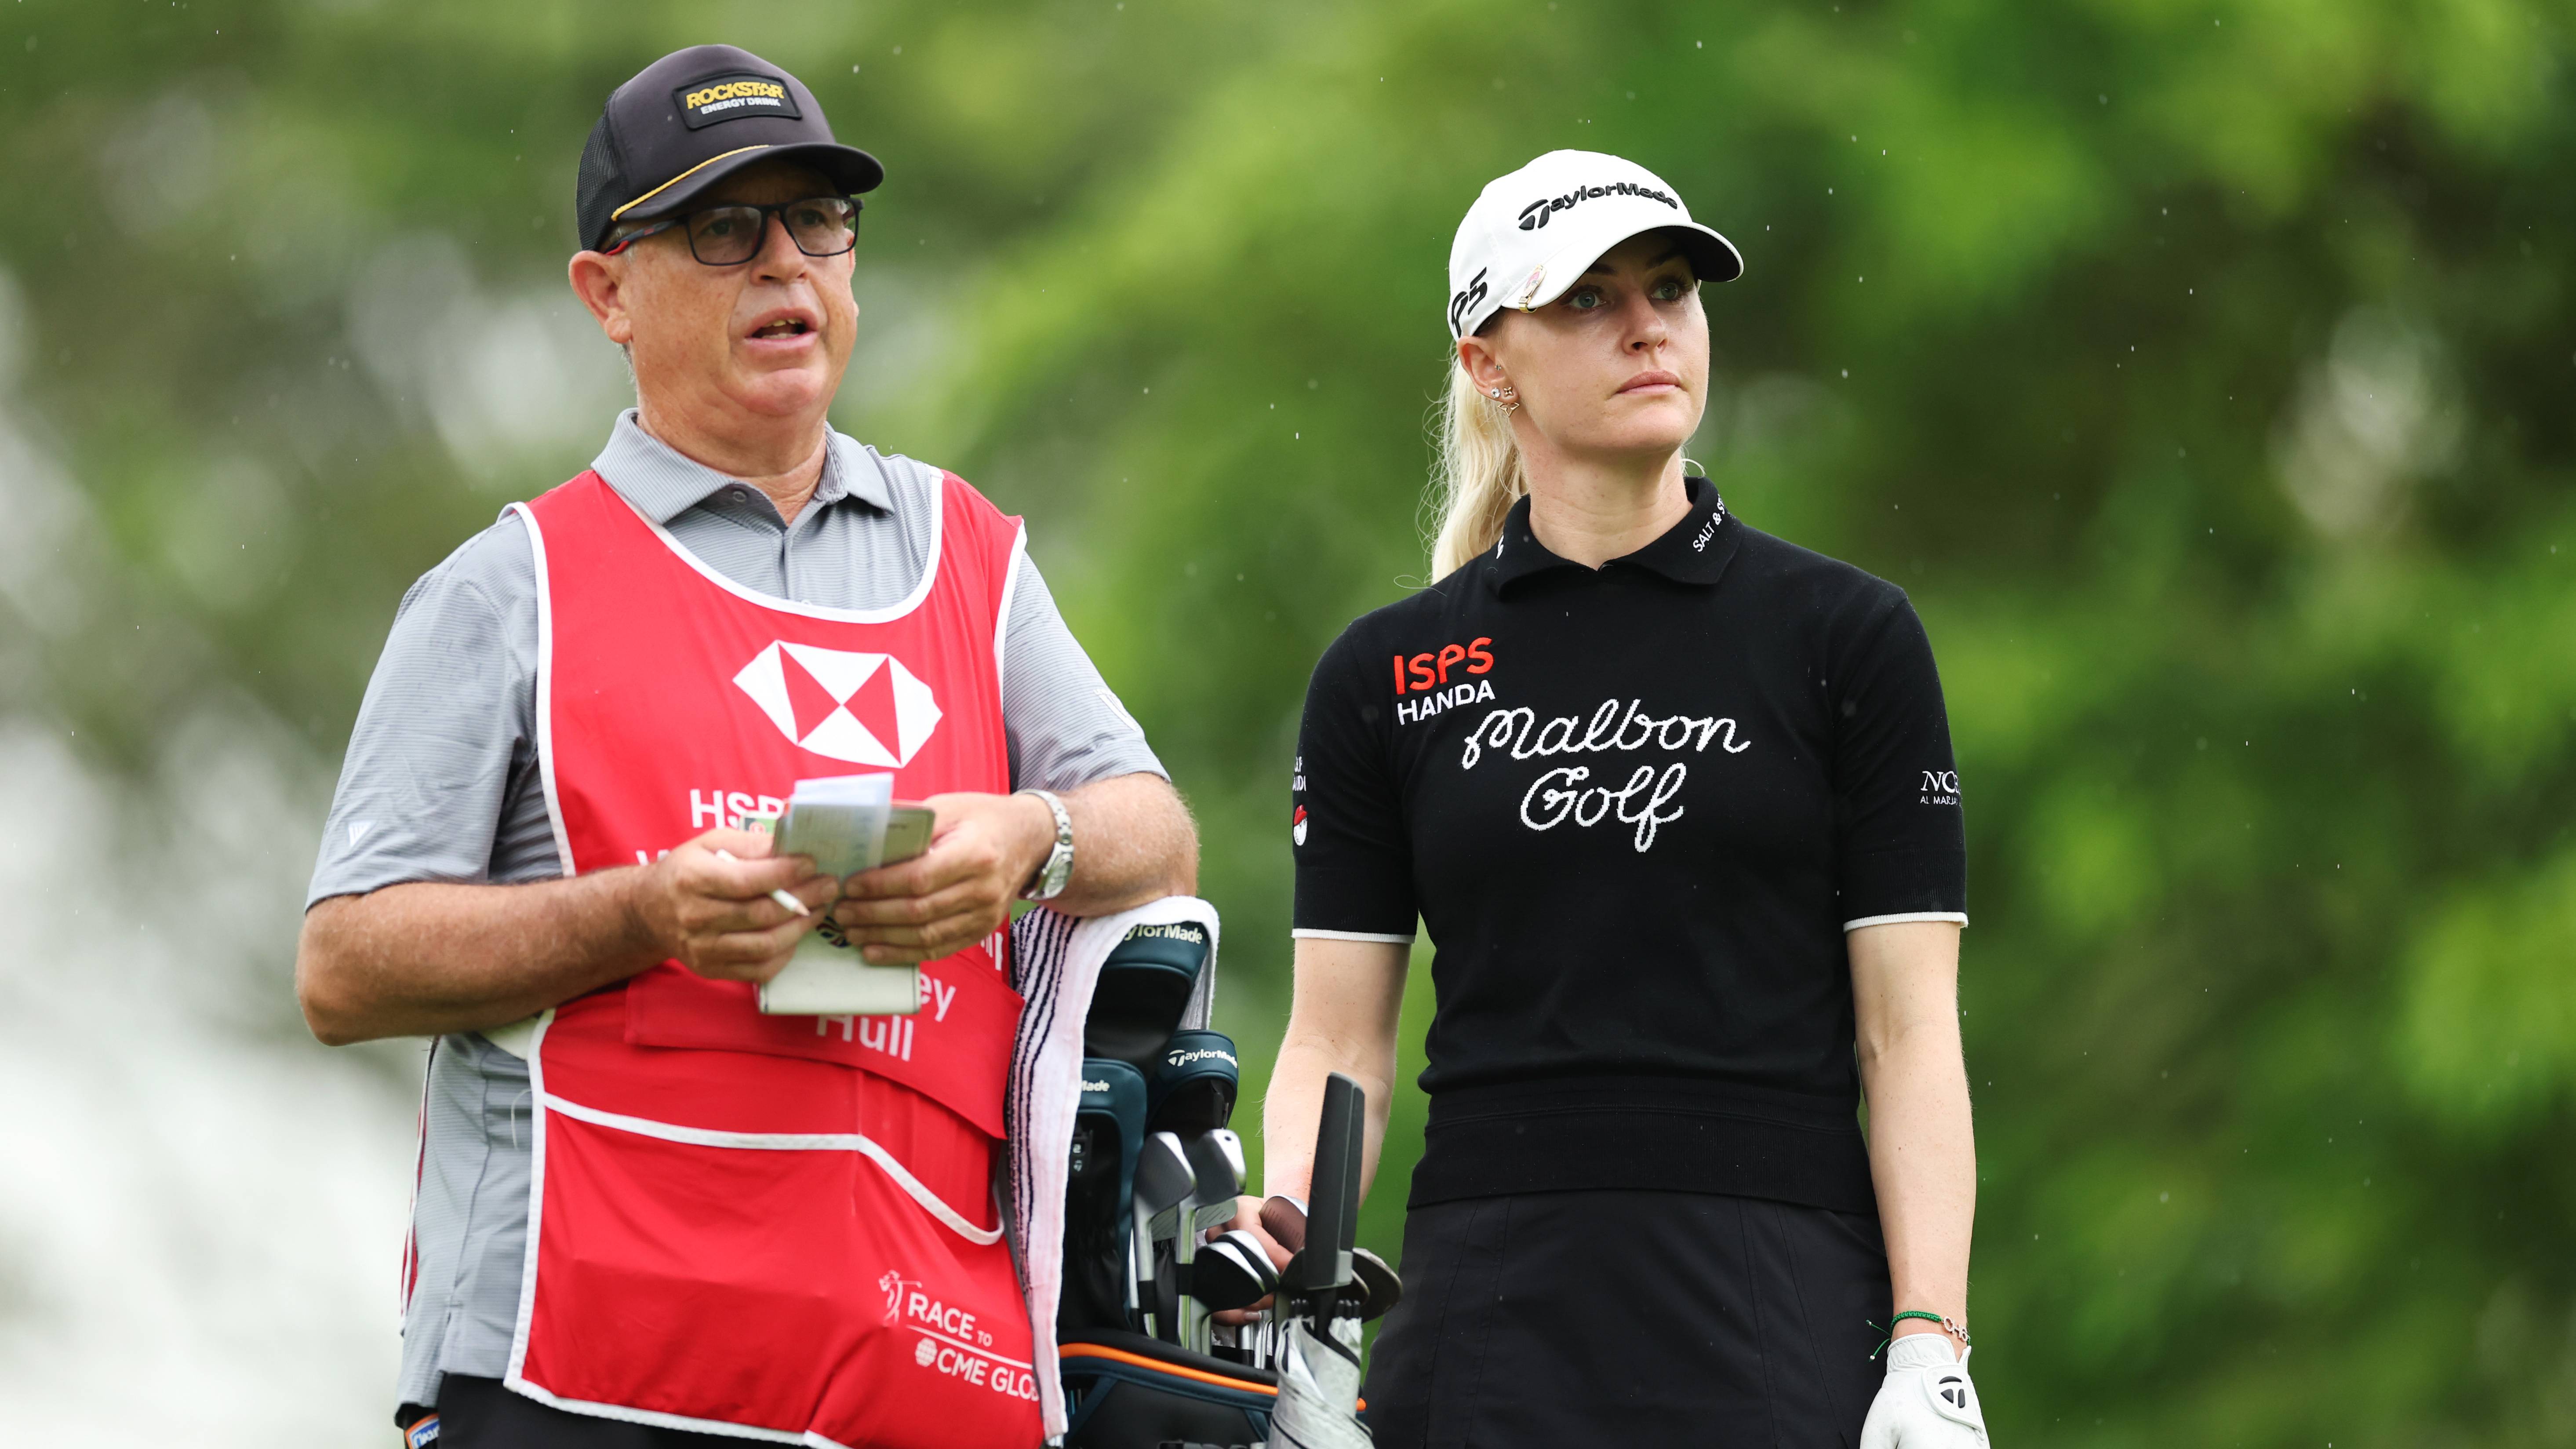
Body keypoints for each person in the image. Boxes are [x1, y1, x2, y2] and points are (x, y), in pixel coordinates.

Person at [295, 45, 1196, 1449]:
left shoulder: (971, 552)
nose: (785, 264)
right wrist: (647, 912)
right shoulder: (510, 585)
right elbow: (345, 965)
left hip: (912, 1376)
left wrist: (1031, 840)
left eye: (816, 222)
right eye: (724, 229)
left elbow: (1150, 826)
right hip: (581, 1373)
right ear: (608, 291)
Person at [1251, 151, 1990, 1445]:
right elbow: (1335, 1047)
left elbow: (1909, 1034)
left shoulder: (1844, 636)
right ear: (1489, 363)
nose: (1648, 325)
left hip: (1776, 1297)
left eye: (1669, 289)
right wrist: (1304, 1304)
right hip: (1484, 1303)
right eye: (1586, 300)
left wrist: (1930, 1343)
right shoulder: (1384, 675)